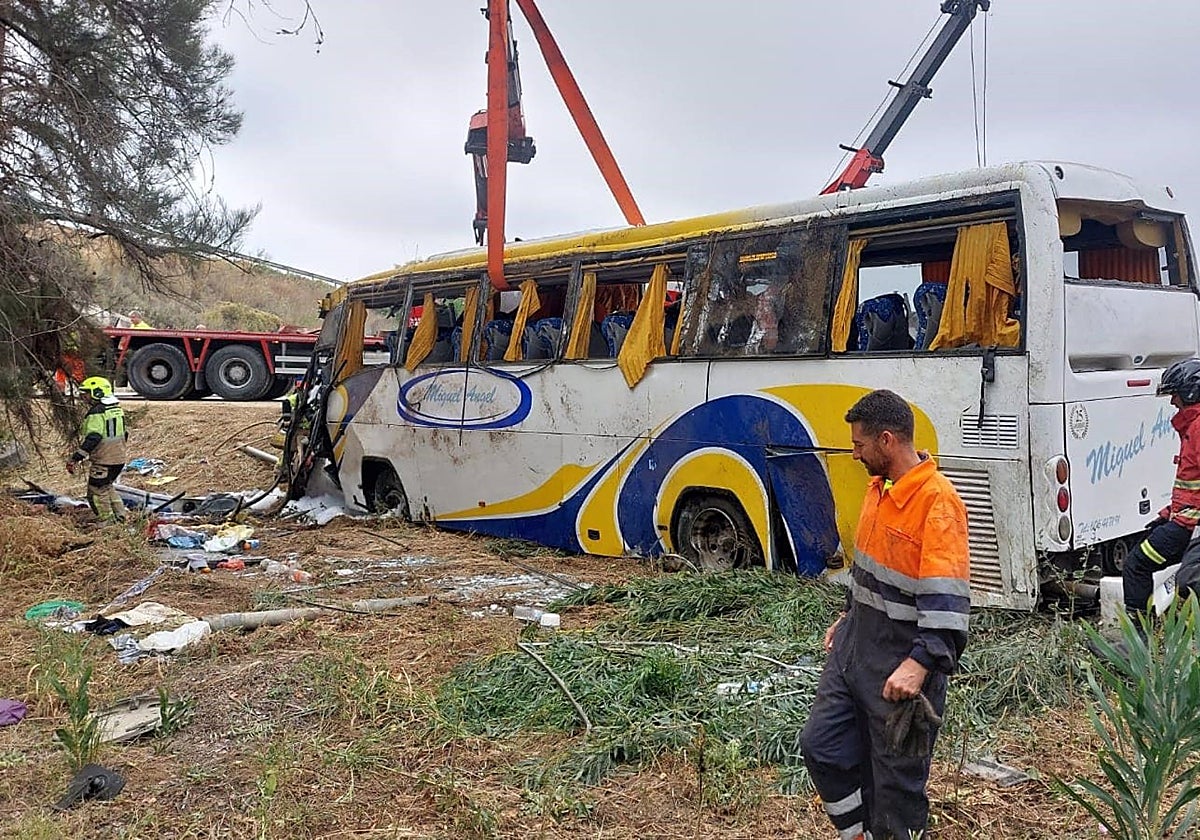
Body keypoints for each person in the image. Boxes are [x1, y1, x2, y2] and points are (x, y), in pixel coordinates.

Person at [801, 389, 970, 840]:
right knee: (822, 745)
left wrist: (921, 663)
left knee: (894, 787)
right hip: (857, 649)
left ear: (888, 441)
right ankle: (858, 832)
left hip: (901, 664)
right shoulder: (880, 489)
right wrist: (848, 613)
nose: (854, 454)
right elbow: (871, 570)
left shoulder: (938, 503)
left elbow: (948, 601)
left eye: (859, 445)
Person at [1121, 358, 1200, 621]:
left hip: (1189, 526)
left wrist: (1184, 519)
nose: (1172, 402)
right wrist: (1168, 513)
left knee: (1136, 565)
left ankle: (1138, 640)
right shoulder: (1192, 426)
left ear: (1191, 391)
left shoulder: (1198, 428)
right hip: (1185, 521)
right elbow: (1191, 485)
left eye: (1174, 394)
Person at [66, 376, 129, 522]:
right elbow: (124, 434)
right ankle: (120, 517)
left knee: (96, 492)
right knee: (107, 487)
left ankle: (106, 522)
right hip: (118, 459)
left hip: (103, 460)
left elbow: (94, 437)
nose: (84, 397)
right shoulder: (116, 409)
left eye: (87, 393)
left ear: (97, 392)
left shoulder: (96, 412)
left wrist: (76, 457)